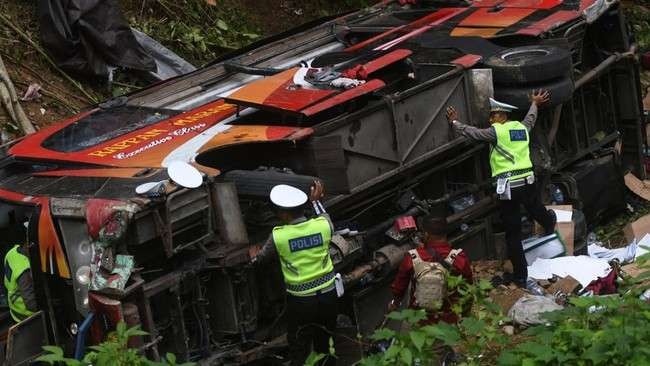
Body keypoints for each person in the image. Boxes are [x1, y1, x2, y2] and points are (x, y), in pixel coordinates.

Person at [445, 91, 556, 288]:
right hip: (528, 181)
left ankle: (520, 276)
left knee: (513, 234)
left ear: (501, 116)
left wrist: (455, 123)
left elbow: (473, 133)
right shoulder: (521, 128)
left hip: (509, 188)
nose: (490, 119)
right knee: (536, 208)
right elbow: (531, 118)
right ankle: (549, 222)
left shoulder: (496, 131)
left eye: (493, 115)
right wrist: (534, 104)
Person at [249, 181, 337, 366]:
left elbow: (261, 260)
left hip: (301, 302)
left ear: (283, 213)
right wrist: (316, 201)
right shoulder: (323, 226)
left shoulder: (279, 235)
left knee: (299, 345)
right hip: (329, 296)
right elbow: (325, 216)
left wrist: (253, 256)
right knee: (327, 343)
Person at [389, 215, 472, 324]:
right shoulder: (459, 258)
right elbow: (468, 289)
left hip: (418, 320)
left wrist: (394, 303)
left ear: (426, 234)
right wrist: (465, 314)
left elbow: (398, 289)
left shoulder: (412, 257)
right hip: (448, 322)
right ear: (445, 233)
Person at [4, 237, 37, 323]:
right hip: (26, 316)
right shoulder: (24, 271)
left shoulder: (11, 252)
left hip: (13, 307)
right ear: (28, 245)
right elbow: (31, 304)